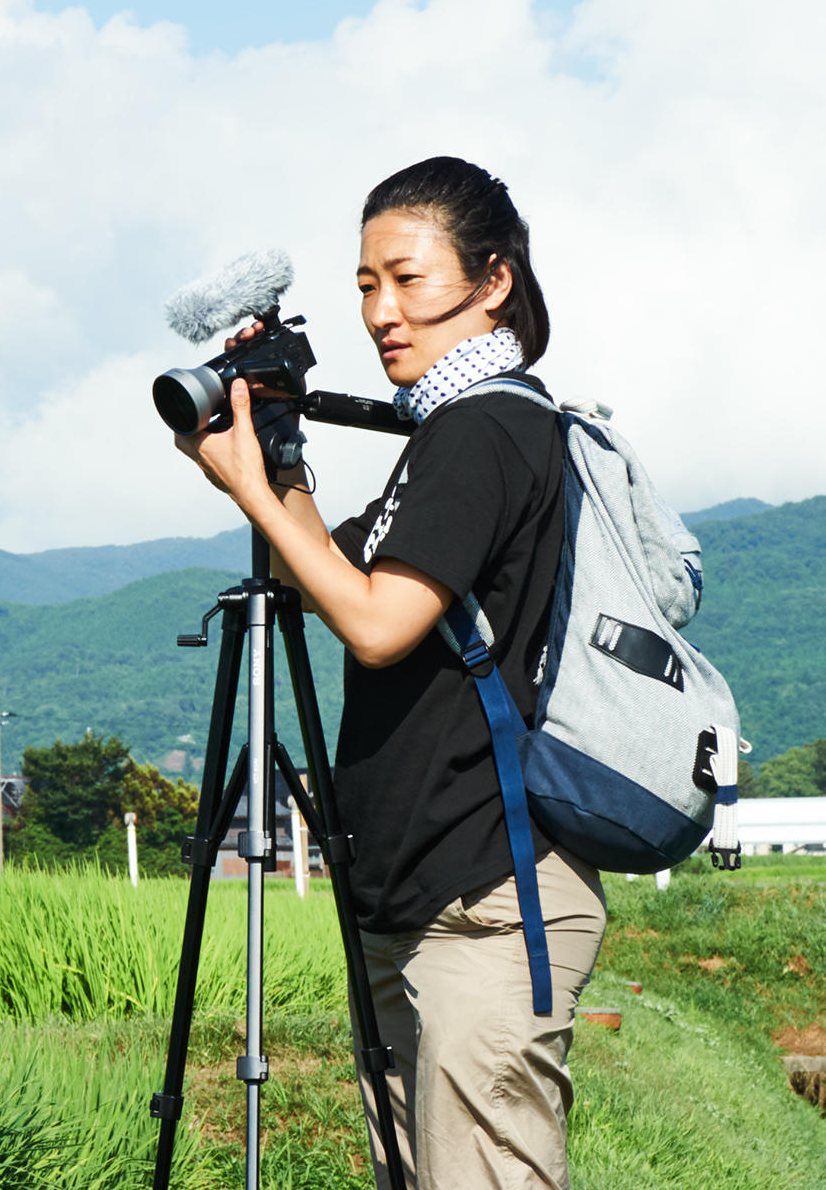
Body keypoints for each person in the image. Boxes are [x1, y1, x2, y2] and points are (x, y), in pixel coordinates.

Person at [176, 155, 604, 1190]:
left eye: (408, 281)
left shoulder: (488, 431)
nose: (381, 311)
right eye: (366, 283)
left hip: (487, 902)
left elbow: (374, 625)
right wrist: (264, 458)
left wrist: (256, 491)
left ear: (492, 281)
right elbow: (319, 567)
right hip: (420, 891)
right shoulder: (448, 437)